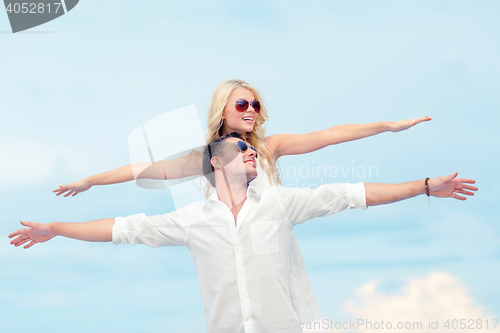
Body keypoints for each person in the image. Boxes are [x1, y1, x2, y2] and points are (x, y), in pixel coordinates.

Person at [10, 132, 477, 333]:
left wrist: (424, 187)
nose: (251, 152)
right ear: (215, 163)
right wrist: (57, 228)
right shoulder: (193, 220)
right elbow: (122, 228)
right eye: (240, 149)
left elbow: (351, 193)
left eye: (253, 149)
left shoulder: (279, 203)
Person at [51, 79, 431, 321]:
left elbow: (330, 134)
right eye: (242, 105)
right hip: (230, 236)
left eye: (255, 105)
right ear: (224, 110)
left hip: (273, 232)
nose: (251, 111)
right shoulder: (207, 157)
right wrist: (91, 181)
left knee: (297, 308)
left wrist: (389, 126)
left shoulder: (268, 147)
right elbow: (145, 169)